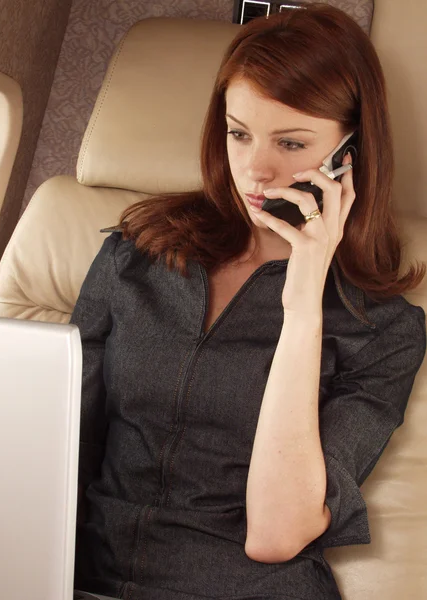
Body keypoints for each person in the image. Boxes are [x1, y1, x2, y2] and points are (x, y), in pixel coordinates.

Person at [72, 4, 426, 600]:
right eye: (239, 133)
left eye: (291, 142)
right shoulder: (136, 254)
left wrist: (305, 299)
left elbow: (277, 535)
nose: (255, 170)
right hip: (79, 576)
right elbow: (55, 442)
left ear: (351, 153)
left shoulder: (383, 330)